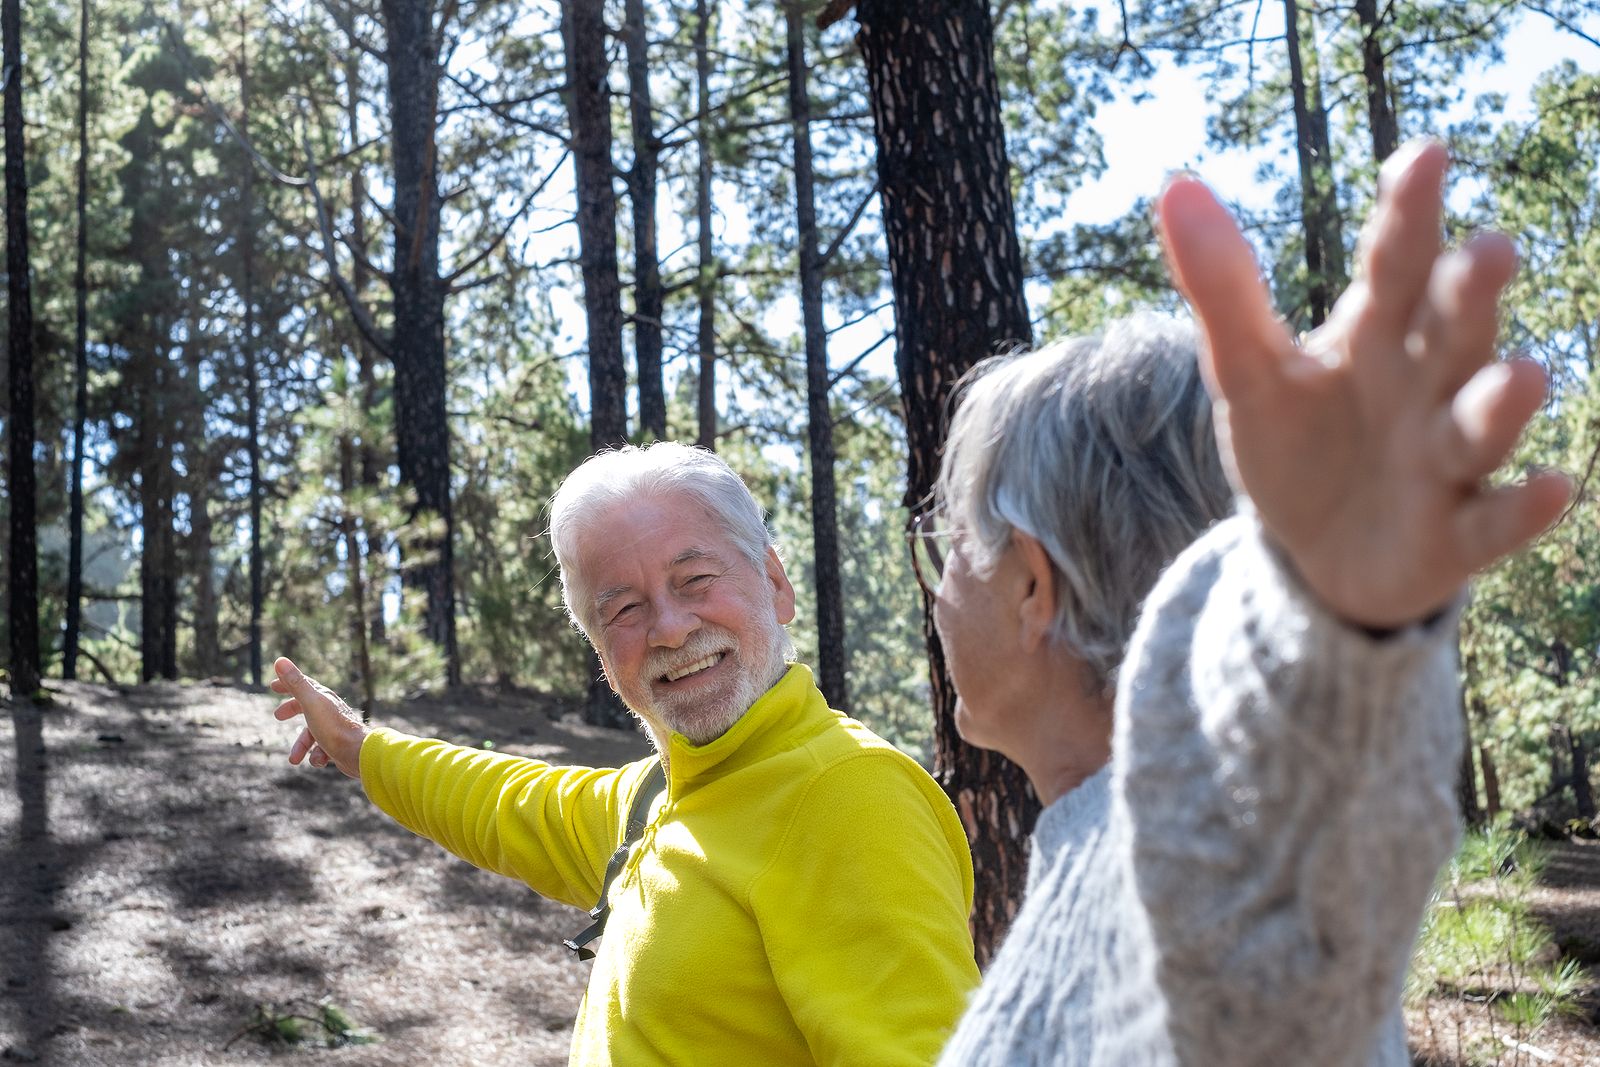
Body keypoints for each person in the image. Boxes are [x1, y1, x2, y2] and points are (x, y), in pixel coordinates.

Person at [929, 140, 1572, 1065]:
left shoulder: (1208, 854)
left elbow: (1279, 819)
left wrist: (1331, 618)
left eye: (947, 549)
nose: (941, 593)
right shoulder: (1107, 838)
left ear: (1033, 582)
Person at [269, 443, 981, 1066]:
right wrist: (360, 747)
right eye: (625, 609)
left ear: (776, 583)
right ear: (602, 653)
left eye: (695, 578)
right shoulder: (657, 800)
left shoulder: (849, 796)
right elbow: (499, 802)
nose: (670, 629)